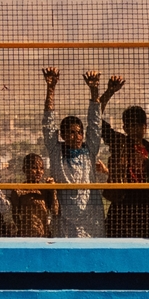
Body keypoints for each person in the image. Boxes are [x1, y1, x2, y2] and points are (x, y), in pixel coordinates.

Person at [99, 78, 149, 238]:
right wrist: (109, 92)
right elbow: (96, 120)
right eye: (130, 125)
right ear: (124, 127)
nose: (134, 129)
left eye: (138, 125)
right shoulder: (119, 143)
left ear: (145, 126)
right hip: (122, 207)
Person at [41, 67, 106, 238]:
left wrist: (94, 91)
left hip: (91, 217)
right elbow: (48, 124)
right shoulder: (57, 152)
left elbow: (95, 124)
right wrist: (51, 88)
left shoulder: (89, 150)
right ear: (62, 135)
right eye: (71, 132)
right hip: (65, 220)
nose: (76, 136)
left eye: (79, 132)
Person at [11, 153, 59, 238]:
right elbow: (14, 215)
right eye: (34, 168)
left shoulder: (44, 190)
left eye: (41, 168)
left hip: (44, 235)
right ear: (25, 169)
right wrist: (22, 230)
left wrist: (53, 192)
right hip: (26, 235)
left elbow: (55, 212)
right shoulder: (19, 191)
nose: (38, 172)